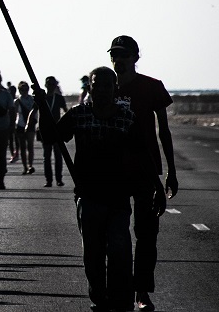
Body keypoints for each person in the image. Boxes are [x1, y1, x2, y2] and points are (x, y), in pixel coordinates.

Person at [39, 66, 165, 312]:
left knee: (119, 251)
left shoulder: (126, 118)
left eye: (108, 85)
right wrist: (43, 107)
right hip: (88, 196)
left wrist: (157, 188)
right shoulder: (78, 115)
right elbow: (50, 136)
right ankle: (99, 297)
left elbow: (144, 155)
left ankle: (121, 300)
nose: (102, 90)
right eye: (97, 85)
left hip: (118, 196)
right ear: (90, 88)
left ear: (115, 88)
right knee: (93, 255)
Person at [109, 35, 178, 312]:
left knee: (147, 235)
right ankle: (119, 289)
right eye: (114, 55)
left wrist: (171, 172)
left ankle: (141, 291)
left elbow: (164, 130)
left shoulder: (152, 87)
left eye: (124, 55)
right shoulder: (103, 89)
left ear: (135, 57)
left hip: (146, 172)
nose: (119, 60)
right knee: (115, 235)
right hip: (112, 173)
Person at [41, 76, 68, 187]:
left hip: (57, 129)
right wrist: (29, 123)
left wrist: (66, 125)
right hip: (45, 129)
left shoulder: (59, 98)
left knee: (58, 155)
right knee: (46, 157)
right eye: (49, 84)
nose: (51, 86)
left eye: (53, 84)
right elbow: (34, 110)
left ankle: (59, 179)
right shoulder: (42, 98)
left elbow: (66, 111)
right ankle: (48, 180)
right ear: (46, 85)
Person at [15, 81, 37, 175]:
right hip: (20, 124)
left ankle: (30, 165)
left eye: (25, 89)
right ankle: (25, 167)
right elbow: (14, 113)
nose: (24, 91)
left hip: (31, 125)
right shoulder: (17, 101)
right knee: (22, 147)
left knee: (30, 146)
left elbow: (35, 111)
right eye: (22, 89)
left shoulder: (32, 99)